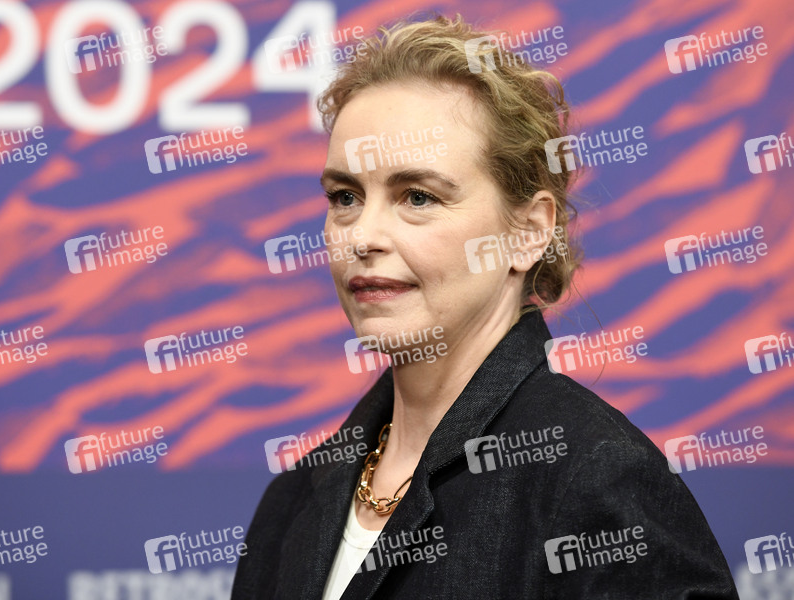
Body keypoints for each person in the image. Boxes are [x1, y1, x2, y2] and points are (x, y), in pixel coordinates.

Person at [232, 14, 739, 599]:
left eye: (417, 196)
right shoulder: (293, 500)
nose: (362, 236)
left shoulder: (596, 479)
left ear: (528, 232)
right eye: (345, 196)